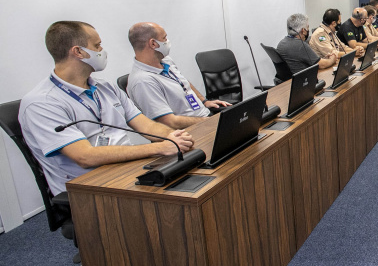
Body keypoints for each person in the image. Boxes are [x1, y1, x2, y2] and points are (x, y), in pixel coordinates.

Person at [19, 21, 195, 197]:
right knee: (181, 199)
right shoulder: (41, 103)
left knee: (194, 177)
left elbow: (147, 126)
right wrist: (159, 148)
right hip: (90, 189)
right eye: (97, 46)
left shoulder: (105, 88)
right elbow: (85, 156)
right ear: (78, 52)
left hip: (128, 169)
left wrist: (173, 137)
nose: (102, 51)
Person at [126, 22, 230, 129]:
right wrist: (209, 121)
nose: (167, 41)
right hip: (189, 130)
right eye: (164, 38)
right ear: (153, 43)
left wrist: (204, 101)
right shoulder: (142, 81)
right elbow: (168, 122)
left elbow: (183, 82)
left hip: (205, 117)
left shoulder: (165, 60)